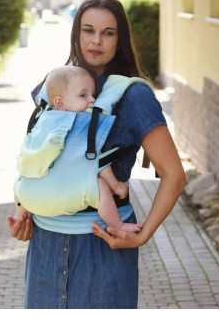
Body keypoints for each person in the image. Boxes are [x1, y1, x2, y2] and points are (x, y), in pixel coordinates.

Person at [7, 0, 186, 309]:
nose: (96, 40)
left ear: (120, 40)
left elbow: (174, 175)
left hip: (103, 246)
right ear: (76, 33)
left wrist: (143, 235)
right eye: (88, 30)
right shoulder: (54, 87)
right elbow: (35, 159)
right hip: (45, 248)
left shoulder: (133, 95)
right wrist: (26, 211)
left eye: (108, 32)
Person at [14, 65, 144, 233]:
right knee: (101, 186)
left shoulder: (42, 119)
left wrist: (20, 201)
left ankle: (20, 215)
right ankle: (117, 225)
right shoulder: (80, 123)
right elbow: (98, 162)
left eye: (93, 95)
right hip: (65, 197)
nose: (92, 100)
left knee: (19, 180)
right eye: (83, 95)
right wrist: (117, 186)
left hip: (28, 197)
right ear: (60, 103)